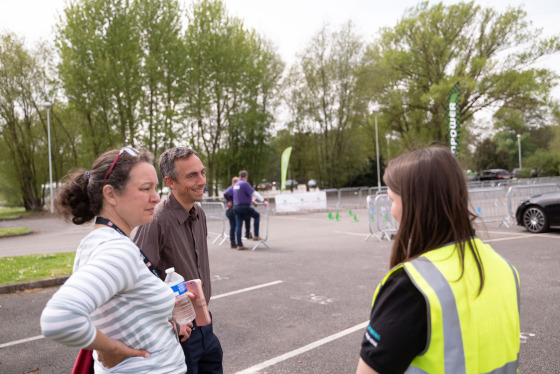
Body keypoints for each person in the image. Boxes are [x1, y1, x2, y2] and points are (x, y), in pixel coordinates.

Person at [357, 146, 520, 374]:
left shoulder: (410, 287)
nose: (392, 212)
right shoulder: (504, 267)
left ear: (416, 205)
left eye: (392, 200)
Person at [40, 147, 189, 374]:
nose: (156, 197)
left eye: (156, 188)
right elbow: (59, 319)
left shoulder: (97, 241)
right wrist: (112, 349)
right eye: (145, 188)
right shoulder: (117, 250)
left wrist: (162, 320)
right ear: (110, 194)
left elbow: (120, 310)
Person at [134, 147, 223, 374]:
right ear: (170, 182)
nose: (201, 180)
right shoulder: (156, 220)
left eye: (202, 173)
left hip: (205, 322)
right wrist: (172, 320)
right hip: (178, 332)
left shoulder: (199, 213)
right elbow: (137, 280)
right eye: (191, 175)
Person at [232, 170, 269, 250]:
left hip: (236, 207)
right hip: (244, 207)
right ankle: (255, 235)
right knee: (256, 215)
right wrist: (263, 201)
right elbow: (254, 193)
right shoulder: (244, 183)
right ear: (246, 177)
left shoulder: (236, 184)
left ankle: (239, 244)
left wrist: (252, 201)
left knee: (238, 225)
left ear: (239, 176)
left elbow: (241, 196)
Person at [224, 176, 251, 248]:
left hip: (231, 209)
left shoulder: (233, 188)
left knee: (234, 225)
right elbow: (225, 194)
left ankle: (235, 241)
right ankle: (234, 241)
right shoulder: (233, 188)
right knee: (234, 226)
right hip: (231, 210)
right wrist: (229, 201)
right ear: (234, 182)